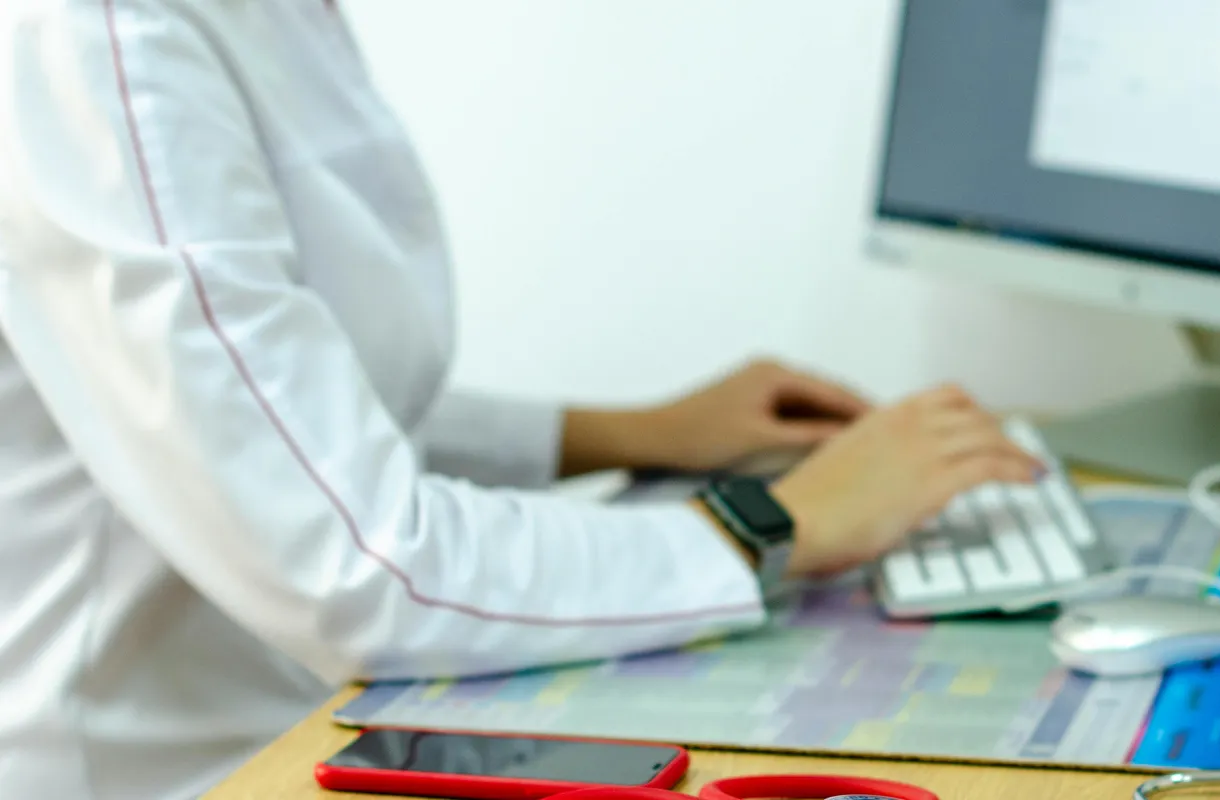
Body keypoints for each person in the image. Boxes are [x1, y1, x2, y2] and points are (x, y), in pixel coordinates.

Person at [0, 2, 1043, 798]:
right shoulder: (93, 42)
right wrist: (780, 521)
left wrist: (618, 435)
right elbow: (356, 566)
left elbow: (267, 405)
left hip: (306, 713)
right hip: (169, 769)